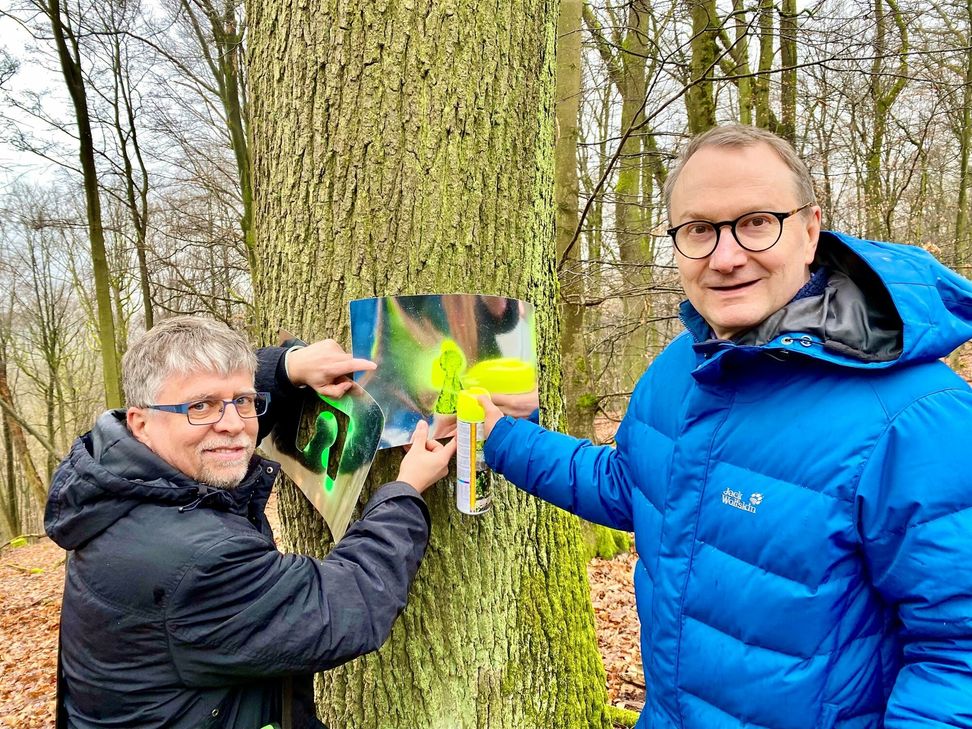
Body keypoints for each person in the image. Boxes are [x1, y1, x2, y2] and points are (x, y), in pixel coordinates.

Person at [480, 125, 972, 728]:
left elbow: (957, 655)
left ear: (811, 229)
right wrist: (502, 437)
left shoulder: (917, 417)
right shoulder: (679, 367)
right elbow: (627, 484)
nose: (726, 256)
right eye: (699, 230)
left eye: (757, 221)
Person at [45, 316, 456, 729]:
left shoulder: (116, 477)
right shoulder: (196, 560)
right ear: (141, 422)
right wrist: (405, 489)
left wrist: (288, 367)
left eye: (243, 400)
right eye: (199, 407)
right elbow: (348, 603)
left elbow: (223, 396)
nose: (233, 424)